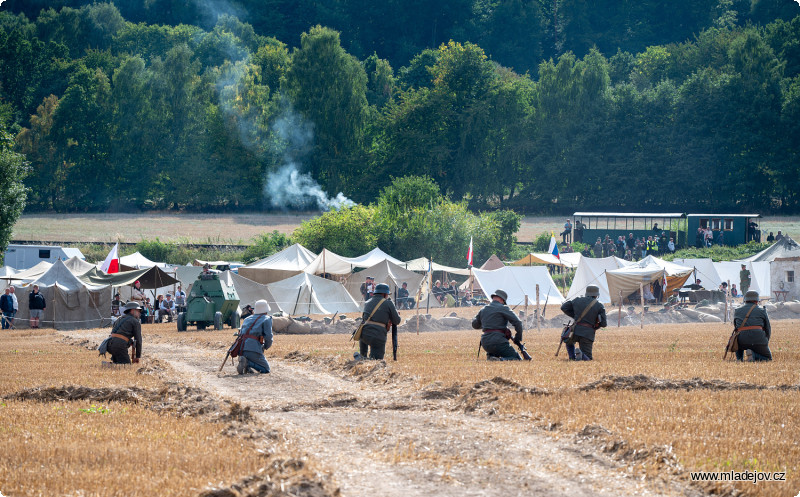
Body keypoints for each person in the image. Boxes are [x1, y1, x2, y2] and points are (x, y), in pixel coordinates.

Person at [472, 289, 523, 361]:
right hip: (498, 342)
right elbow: (518, 322)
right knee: (517, 358)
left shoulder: (483, 309)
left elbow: (475, 325)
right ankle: (499, 360)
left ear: (493, 297)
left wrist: (488, 325)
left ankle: (492, 356)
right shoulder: (503, 308)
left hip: (485, 343)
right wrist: (517, 339)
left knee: (497, 351)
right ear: (502, 300)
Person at [560, 285, 607, 361]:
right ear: (597, 295)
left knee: (568, 341)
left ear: (586, 293)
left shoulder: (577, 300)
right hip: (587, 334)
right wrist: (595, 327)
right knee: (588, 358)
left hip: (575, 330)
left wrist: (576, 317)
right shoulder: (599, 305)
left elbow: (563, 307)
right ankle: (582, 355)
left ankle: (572, 357)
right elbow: (604, 324)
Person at [356, 283, 401, 360]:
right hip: (378, 335)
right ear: (384, 294)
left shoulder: (367, 302)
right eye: (387, 294)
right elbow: (397, 321)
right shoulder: (388, 303)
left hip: (364, 334)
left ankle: (362, 358)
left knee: (363, 357)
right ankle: (367, 360)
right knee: (376, 361)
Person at [234, 299, 273, 374]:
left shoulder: (247, 319)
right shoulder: (267, 319)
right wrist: (265, 347)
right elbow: (269, 337)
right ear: (266, 310)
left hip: (241, 349)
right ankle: (247, 363)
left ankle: (246, 364)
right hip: (253, 349)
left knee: (250, 358)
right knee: (266, 369)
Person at [734, 291, 772, 361]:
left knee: (737, 338)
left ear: (745, 300)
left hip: (742, 340)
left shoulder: (737, 310)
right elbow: (768, 328)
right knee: (768, 358)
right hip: (759, 339)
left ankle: (739, 359)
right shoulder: (762, 310)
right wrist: (765, 341)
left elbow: (736, 328)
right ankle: (754, 356)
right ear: (757, 301)